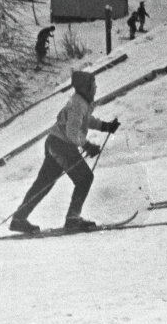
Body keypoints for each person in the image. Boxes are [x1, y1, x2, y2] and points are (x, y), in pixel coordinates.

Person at [9, 70, 119, 233]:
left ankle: (19, 219)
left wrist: (105, 126)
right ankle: (73, 219)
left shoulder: (81, 102)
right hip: (62, 145)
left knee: (44, 183)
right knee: (84, 178)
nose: (96, 87)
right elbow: (72, 132)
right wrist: (87, 145)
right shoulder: (78, 104)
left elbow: (86, 121)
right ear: (86, 87)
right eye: (93, 85)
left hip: (54, 142)